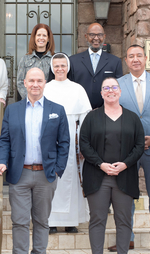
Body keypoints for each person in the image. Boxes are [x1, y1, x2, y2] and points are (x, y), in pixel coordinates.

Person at [0, 68, 70, 254]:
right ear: (24, 83)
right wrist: (2, 162)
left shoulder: (57, 110)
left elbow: (64, 142)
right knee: (19, 220)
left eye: (39, 80)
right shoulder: (13, 110)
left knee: (41, 221)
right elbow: (5, 140)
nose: (35, 84)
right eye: (31, 81)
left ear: (45, 83)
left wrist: (58, 169)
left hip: (46, 174)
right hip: (20, 174)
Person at [108, 44, 150, 253]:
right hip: (127, 152)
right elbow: (113, 113)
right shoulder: (118, 84)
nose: (135, 59)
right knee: (126, 196)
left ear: (145, 58)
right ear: (126, 61)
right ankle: (127, 238)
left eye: (139, 55)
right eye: (130, 56)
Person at [79, 77, 144, 254]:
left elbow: (139, 146)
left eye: (113, 87)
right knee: (97, 219)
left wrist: (124, 164)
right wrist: (101, 164)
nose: (110, 91)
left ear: (120, 91)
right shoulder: (92, 117)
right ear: (101, 93)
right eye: (106, 88)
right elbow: (84, 144)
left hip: (124, 177)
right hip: (98, 177)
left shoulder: (132, 118)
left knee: (123, 220)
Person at [44, 53, 91, 234]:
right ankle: (51, 221)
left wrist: (82, 145)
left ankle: (72, 221)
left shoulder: (77, 89)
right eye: (56, 66)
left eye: (63, 65)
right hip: (50, 138)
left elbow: (85, 119)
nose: (60, 69)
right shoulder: (46, 88)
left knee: (72, 177)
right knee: (52, 178)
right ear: (52, 67)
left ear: (68, 67)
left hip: (73, 138)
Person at [67, 23, 123, 109]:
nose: (96, 38)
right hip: (80, 112)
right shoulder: (73, 61)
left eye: (99, 35)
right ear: (86, 36)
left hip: (106, 113)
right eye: (92, 35)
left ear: (104, 36)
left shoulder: (115, 62)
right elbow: (69, 89)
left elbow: (118, 90)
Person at [17, 23, 55, 100]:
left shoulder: (53, 60)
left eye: (44, 35)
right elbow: (20, 82)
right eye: (38, 35)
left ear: (48, 39)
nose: (41, 38)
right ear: (34, 37)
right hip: (29, 103)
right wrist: (30, 98)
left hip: (49, 101)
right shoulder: (25, 59)